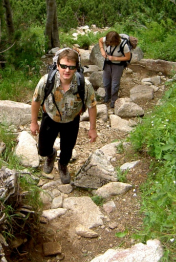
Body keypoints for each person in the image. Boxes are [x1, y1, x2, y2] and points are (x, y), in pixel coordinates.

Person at [30, 48, 97, 184]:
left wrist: (92, 128)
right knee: (42, 149)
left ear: (76, 68)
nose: (67, 70)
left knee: (67, 149)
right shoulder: (46, 81)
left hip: (71, 121)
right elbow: (36, 101)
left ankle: (63, 165)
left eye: (71, 67)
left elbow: (92, 106)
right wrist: (33, 122)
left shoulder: (84, 84)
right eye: (64, 66)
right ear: (57, 65)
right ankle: (50, 154)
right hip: (50, 118)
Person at [98, 31, 131, 108]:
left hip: (118, 65)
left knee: (115, 84)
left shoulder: (124, 45)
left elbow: (128, 57)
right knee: (106, 82)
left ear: (115, 41)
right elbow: (100, 40)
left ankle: (114, 100)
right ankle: (107, 95)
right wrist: (102, 50)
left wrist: (115, 58)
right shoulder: (107, 39)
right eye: (108, 42)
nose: (109, 44)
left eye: (111, 43)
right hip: (107, 64)